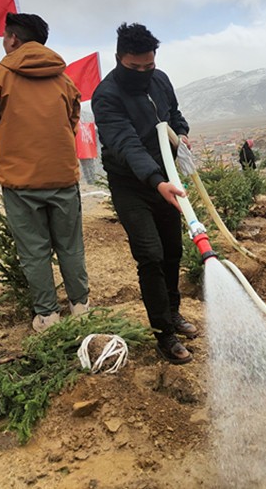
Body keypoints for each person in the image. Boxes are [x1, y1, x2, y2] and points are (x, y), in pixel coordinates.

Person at [0, 12, 90, 332]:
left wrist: (9, 147)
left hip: (20, 179)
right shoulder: (64, 79)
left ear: (13, 38)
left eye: (5, 36)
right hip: (63, 175)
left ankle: (48, 316)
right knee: (70, 245)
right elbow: (72, 120)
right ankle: (81, 306)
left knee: (34, 250)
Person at [91, 22, 198, 365]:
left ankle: (173, 312)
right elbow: (126, 144)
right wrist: (155, 180)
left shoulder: (160, 80)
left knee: (172, 250)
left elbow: (173, 115)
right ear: (119, 58)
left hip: (166, 179)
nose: (142, 73)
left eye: (148, 65)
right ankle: (163, 334)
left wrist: (181, 133)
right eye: (134, 67)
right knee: (150, 255)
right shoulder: (106, 96)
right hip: (132, 185)